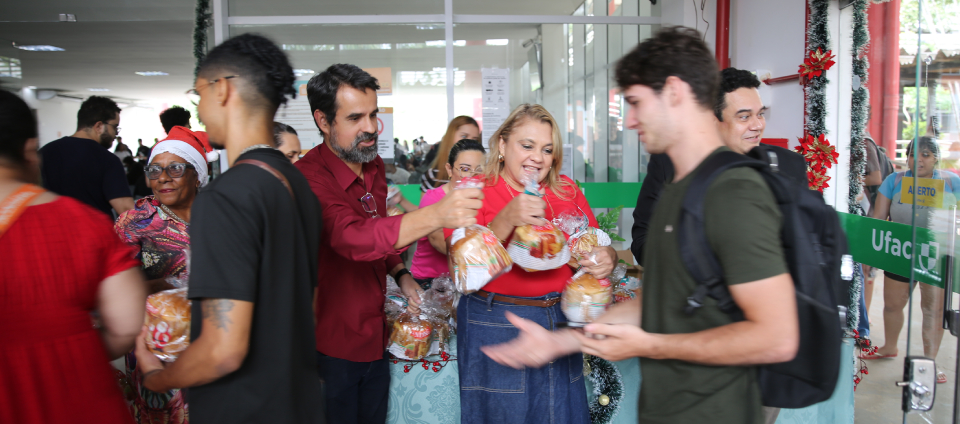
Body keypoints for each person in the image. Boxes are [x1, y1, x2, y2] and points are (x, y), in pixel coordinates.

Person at [482, 27, 800, 424]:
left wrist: (653, 344)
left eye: (635, 102)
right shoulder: (678, 189)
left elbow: (776, 337)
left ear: (674, 93)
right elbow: (662, 301)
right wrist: (560, 341)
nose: (630, 120)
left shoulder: (734, 192)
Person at [132, 33, 324, 423]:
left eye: (197, 93)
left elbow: (223, 350)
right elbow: (310, 306)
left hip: (245, 408)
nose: (199, 108)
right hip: (298, 401)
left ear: (222, 89)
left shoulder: (226, 197)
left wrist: (156, 376)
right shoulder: (295, 182)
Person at [295, 63, 482, 424]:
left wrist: (400, 272)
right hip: (331, 344)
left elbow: (378, 231)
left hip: (375, 332)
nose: (370, 128)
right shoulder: (308, 178)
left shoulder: (373, 166)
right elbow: (351, 237)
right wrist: (438, 214)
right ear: (323, 120)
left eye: (373, 114)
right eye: (355, 118)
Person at [443, 104, 617, 424]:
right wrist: (508, 217)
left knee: (563, 416)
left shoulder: (566, 189)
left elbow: (593, 243)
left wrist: (608, 258)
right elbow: (461, 272)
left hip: (561, 319)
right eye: (527, 145)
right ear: (503, 145)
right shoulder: (473, 190)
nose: (537, 157)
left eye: (547, 149)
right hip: (497, 320)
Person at [0, 90, 147, 423]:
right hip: (77, 394)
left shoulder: (50, 152)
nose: (114, 135)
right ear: (27, 151)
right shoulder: (87, 222)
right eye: (113, 127)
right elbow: (125, 324)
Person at [630, 67, 806, 267]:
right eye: (744, 117)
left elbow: (803, 244)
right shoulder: (670, 162)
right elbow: (643, 241)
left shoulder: (788, 166)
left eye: (760, 114)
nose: (757, 125)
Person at [115, 126, 214, 424]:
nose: (162, 177)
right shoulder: (135, 223)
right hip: (156, 346)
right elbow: (119, 289)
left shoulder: (220, 215)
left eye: (175, 168)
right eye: (155, 169)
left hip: (215, 338)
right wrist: (171, 283)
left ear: (197, 174)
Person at [863, 137, 960, 385]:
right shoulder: (894, 180)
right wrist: (869, 255)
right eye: (913, 154)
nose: (919, 160)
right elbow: (877, 218)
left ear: (936, 158)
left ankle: (930, 362)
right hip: (900, 251)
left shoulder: (951, 182)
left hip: (936, 256)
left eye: (926, 154)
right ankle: (889, 347)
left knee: (933, 310)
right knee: (893, 305)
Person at [39, 96, 134, 217]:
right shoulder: (107, 159)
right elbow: (125, 209)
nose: (116, 133)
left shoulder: (44, 152)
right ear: (99, 126)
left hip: (51, 230)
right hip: (94, 232)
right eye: (115, 127)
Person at [411, 139, 485, 287]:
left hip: (469, 278)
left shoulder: (482, 199)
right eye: (465, 169)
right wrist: (487, 250)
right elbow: (438, 241)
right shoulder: (434, 198)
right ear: (450, 170)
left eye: (479, 170)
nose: (472, 176)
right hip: (431, 281)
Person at [421, 116, 480, 192]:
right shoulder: (432, 175)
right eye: (464, 136)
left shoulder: (481, 174)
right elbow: (426, 204)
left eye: (474, 139)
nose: (469, 142)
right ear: (450, 136)